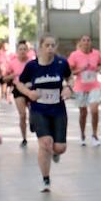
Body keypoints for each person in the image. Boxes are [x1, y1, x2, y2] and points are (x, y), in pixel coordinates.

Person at [15, 34, 73, 192]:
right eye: (47, 45)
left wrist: (69, 88)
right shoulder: (32, 66)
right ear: (40, 47)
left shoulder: (62, 63)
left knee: (60, 147)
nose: (50, 48)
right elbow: (19, 83)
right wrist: (28, 93)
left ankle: (56, 152)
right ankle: (46, 179)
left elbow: (70, 78)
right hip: (39, 109)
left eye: (53, 45)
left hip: (58, 109)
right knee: (45, 142)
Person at [68, 34, 101, 146]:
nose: (86, 42)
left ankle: (94, 135)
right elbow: (70, 72)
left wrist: (97, 68)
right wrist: (80, 70)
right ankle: (82, 134)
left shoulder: (96, 53)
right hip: (80, 87)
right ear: (80, 42)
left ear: (90, 42)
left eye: (88, 40)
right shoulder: (75, 55)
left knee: (94, 110)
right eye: (84, 40)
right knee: (83, 113)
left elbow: (100, 64)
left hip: (94, 86)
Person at [7, 39, 34, 147]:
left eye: (24, 49)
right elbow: (5, 78)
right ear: (17, 51)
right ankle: (24, 138)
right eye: (20, 49)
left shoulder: (32, 62)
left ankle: (33, 122)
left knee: (34, 112)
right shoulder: (12, 63)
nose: (22, 51)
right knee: (22, 115)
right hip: (18, 89)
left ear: (27, 51)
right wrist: (13, 75)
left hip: (30, 88)